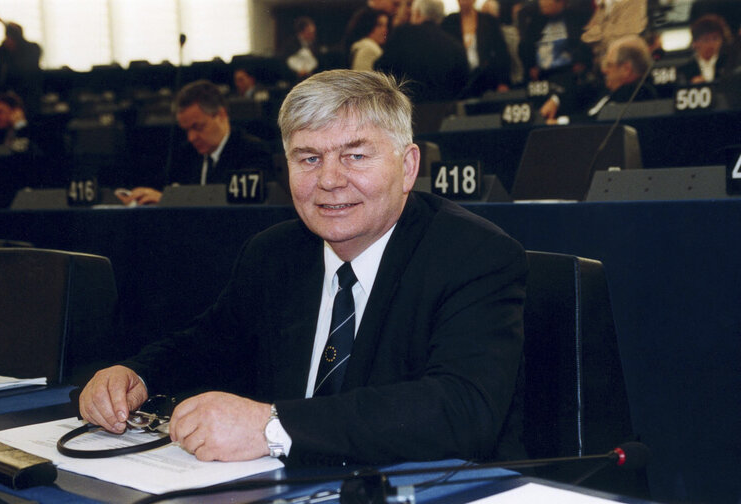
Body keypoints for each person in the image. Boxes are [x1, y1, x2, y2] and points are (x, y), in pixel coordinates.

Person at [79, 69, 527, 466]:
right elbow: (206, 344)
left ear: (408, 167)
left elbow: (462, 408)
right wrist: (135, 374)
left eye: (355, 155)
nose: (330, 180)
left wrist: (273, 428)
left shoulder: (474, 254)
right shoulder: (273, 254)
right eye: (309, 158)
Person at [120, 79, 273, 206]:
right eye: (186, 130)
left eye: (197, 127)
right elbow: (162, 189)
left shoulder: (253, 152)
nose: (192, 137)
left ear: (221, 115)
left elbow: (238, 203)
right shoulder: (185, 154)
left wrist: (169, 200)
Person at [539, 34, 657, 121]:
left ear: (626, 69)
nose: (604, 70)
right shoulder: (606, 87)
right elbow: (580, 93)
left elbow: (600, 123)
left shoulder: (638, 93)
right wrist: (555, 101)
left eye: (610, 65)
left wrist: (560, 122)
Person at [375, 0, 470, 103]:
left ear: (417, 13)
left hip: (407, 109)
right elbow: (462, 83)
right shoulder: (455, 45)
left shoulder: (402, 34)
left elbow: (381, 68)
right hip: (443, 113)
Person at [0, 3, 42, 115]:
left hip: (29, 99)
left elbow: (15, 32)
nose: (7, 40)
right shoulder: (3, 53)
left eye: (10, 37)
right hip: (6, 100)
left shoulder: (32, 49)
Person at [441, 0, 513, 96]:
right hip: (458, 82)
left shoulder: (489, 21)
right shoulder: (449, 22)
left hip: (486, 79)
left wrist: (503, 82)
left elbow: (501, 53)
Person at [516, 0, 593, 84]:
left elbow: (584, 44)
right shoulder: (536, 21)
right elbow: (525, 46)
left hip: (568, 72)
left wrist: (580, 62)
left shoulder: (574, 19)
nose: (542, 3)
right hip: (542, 75)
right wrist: (531, 66)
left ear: (561, 3)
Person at [677, 14, 736, 85]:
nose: (711, 44)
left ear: (722, 40)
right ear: (695, 43)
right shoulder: (685, 69)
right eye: (706, 40)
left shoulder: (730, 64)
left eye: (715, 39)